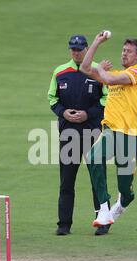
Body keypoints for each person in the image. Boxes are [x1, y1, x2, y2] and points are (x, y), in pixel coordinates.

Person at [80, 32, 137, 228]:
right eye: (123, 50)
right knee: (93, 158)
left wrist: (101, 71)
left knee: (125, 188)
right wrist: (96, 42)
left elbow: (110, 80)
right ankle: (103, 208)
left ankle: (122, 203)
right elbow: (85, 67)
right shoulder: (113, 74)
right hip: (111, 130)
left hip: (130, 135)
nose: (124, 54)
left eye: (129, 51)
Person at [48, 34, 109, 236]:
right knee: (67, 181)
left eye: (79, 49)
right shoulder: (60, 72)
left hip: (92, 131)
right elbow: (52, 98)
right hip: (68, 134)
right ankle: (64, 224)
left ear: (86, 49)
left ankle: (103, 222)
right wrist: (63, 112)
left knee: (97, 179)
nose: (75, 52)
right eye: (72, 49)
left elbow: (107, 100)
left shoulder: (98, 70)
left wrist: (88, 114)